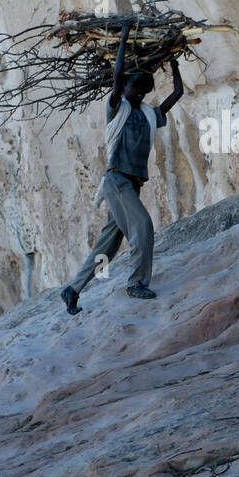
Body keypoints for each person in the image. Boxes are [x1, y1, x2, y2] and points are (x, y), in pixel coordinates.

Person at [61, 21, 183, 313]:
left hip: (133, 184)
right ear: (125, 87)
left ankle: (72, 289)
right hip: (117, 181)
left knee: (108, 244)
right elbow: (116, 77)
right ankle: (136, 283)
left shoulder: (150, 114)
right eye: (134, 85)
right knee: (142, 225)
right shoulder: (118, 108)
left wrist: (175, 61)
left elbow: (177, 93)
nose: (138, 91)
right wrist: (125, 36)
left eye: (143, 88)